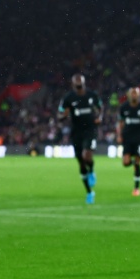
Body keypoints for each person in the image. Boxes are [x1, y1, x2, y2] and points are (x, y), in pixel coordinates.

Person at [58, 74, 103, 204]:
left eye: (80, 83)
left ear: (84, 83)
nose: (79, 85)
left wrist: (100, 117)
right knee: (81, 163)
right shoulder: (68, 98)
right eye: (76, 83)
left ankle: (92, 171)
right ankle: (89, 192)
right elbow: (60, 114)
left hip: (90, 130)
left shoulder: (92, 95)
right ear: (73, 84)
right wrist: (64, 115)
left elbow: (100, 107)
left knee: (86, 156)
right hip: (76, 132)